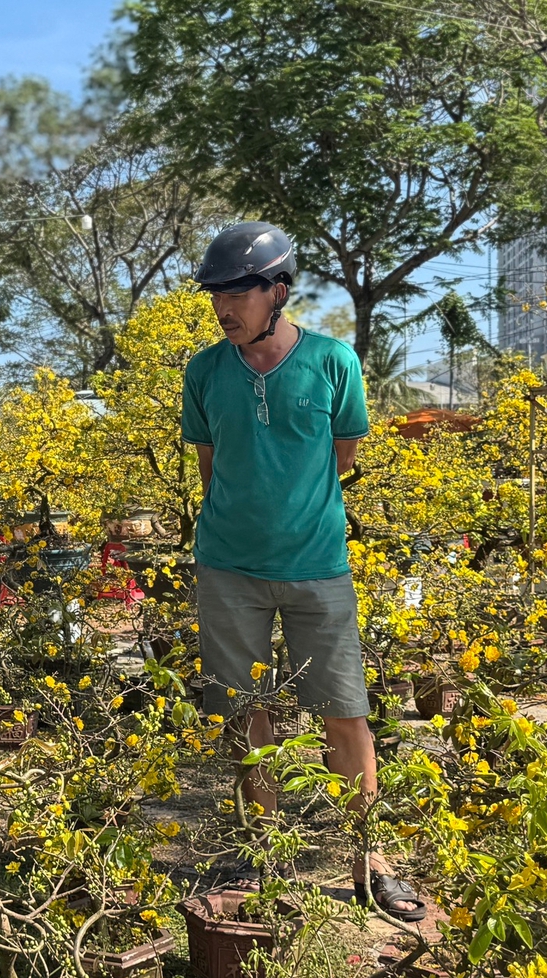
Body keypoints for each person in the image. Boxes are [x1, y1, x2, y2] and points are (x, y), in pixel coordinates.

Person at [181, 220, 426, 921]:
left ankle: (369, 857)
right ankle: (265, 852)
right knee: (242, 712)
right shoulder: (203, 371)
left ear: (277, 293)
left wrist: (297, 509)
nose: (223, 308)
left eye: (237, 294)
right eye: (215, 296)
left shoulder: (332, 362)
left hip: (319, 566)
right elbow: (210, 465)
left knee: (345, 714)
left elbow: (343, 453)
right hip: (228, 567)